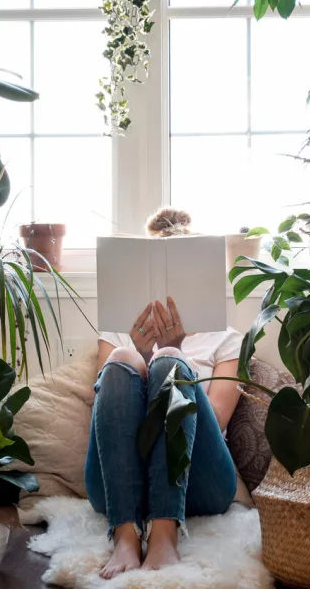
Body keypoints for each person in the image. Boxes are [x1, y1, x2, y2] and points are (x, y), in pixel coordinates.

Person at [85, 208, 242, 579]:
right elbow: (105, 419)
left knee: (170, 359)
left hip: (201, 482)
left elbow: (216, 421)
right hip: (118, 481)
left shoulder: (227, 338)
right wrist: (140, 355)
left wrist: (176, 356)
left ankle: (165, 532)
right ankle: (125, 535)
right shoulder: (117, 333)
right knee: (125, 358)